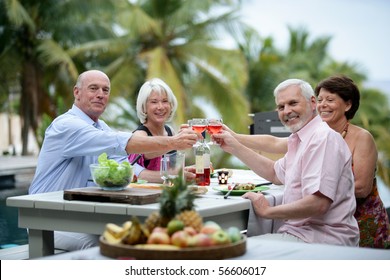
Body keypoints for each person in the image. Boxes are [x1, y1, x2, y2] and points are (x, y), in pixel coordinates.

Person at [28, 70, 197, 251]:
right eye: (93, 88)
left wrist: (174, 173)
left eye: (105, 90)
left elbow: (129, 168)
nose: (100, 95)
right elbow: (121, 142)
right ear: (76, 92)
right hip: (48, 216)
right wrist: (174, 142)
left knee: (140, 235)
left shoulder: (102, 127)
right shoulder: (67, 125)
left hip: (81, 215)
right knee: (102, 244)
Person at [225, 75, 390, 248]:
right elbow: (275, 171)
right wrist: (233, 144)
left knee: (239, 250)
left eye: (293, 103)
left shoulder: (327, 138)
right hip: (305, 231)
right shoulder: (302, 138)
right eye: (281, 106)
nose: (286, 111)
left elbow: (321, 202)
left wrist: (268, 211)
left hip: (325, 236)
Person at [128, 78, 195, 183]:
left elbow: (170, 171)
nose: (160, 107)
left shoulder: (170, 132)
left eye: (165, 101)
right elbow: (134, 174)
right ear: (144, 107)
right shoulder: (139, 135)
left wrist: (187, 171)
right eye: (154, 102)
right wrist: (176, 142)